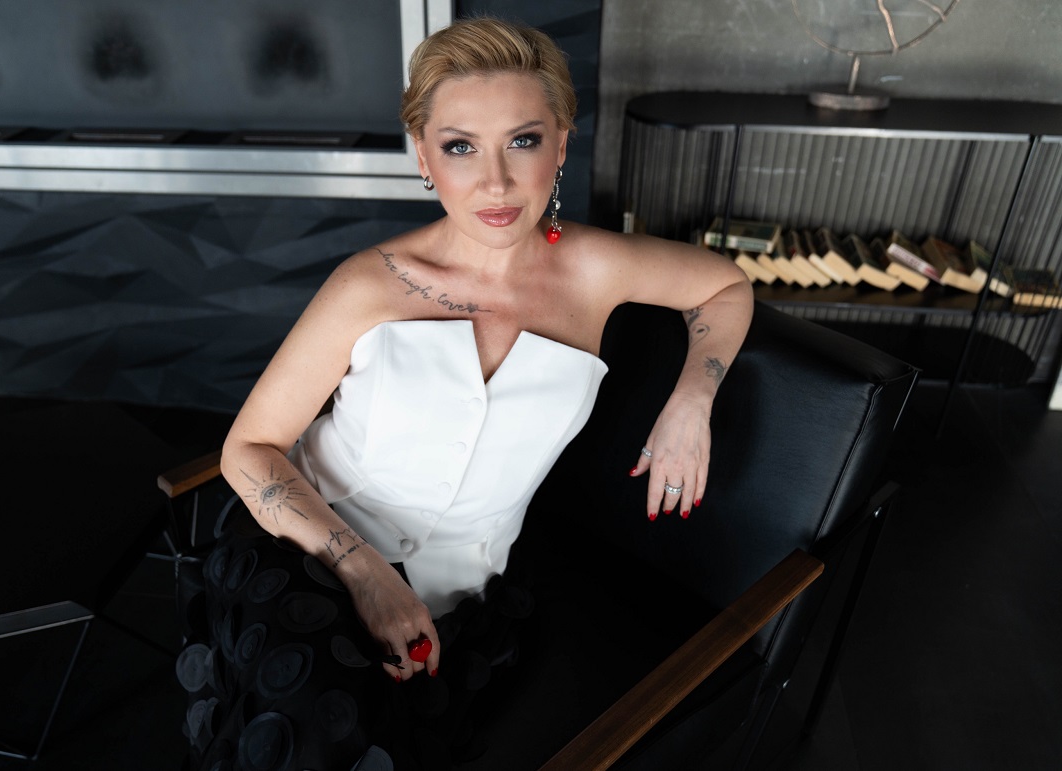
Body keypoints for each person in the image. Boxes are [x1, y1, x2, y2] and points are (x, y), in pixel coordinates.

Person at [177, 16, 753, 770]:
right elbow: (248, 450)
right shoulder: (368, 284)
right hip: (310, 549)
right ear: (423, 155)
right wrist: (363, 572)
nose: (496, 183)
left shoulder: (598, 268)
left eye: (523, 140)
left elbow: (725, 287)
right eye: (460, 147)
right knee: (312, 732)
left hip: (469, 594)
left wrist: (691, 400)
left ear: (562, 143)